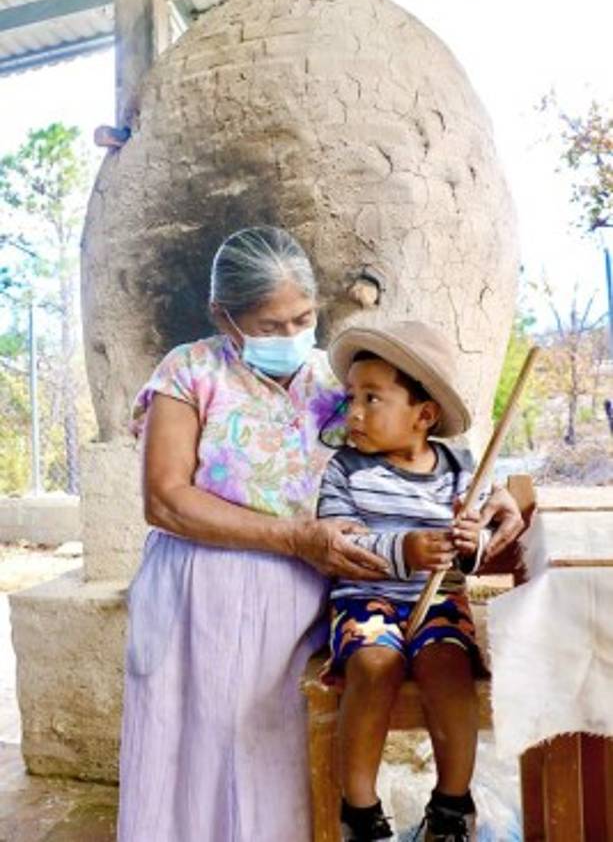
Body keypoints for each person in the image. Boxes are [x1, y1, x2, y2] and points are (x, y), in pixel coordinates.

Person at [118, 226, 524, 842]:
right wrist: (294, 537)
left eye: (302, 319)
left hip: (303, 609)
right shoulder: (188, 371)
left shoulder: (336, 384)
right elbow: (166, 500)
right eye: (269, 325)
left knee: (275, 762)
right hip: (196, 602)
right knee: (190, 763)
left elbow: (434, 449)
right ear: (222, 316)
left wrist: (507, 497)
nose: (289, 337)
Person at [318, 321, 494, 842]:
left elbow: (478, 543)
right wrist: (404, 549)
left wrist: (470, 541)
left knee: (448, 665)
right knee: (376, 663)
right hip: (365, 599)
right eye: (350, 397)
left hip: (438, 600)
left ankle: (451, 805)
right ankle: (360, 812)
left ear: (423, 415)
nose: (353, 412)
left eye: (372, 399)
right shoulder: (343, 471)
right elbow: (338, 545)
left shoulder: (461, 470)